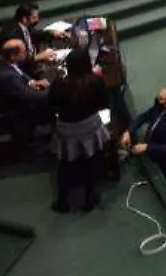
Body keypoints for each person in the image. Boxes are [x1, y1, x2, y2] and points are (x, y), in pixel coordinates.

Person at [48, 44, 111, 213]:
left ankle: (63, 202)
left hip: (66, 129)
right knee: (91, 162)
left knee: (65, 165)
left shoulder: (59, 84)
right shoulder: (95, 81)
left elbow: (51, 104)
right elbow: (105, 103)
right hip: (90, 127)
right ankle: (89, 199)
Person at [123, 86, 166, 214]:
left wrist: (147, 147)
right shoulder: (159, 105)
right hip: (157, 149)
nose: (157, 99)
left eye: (161, 99)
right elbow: (144, 116)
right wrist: (128, 131)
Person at [0, 38, 51, 114]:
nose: (26, 53)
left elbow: (18, 71)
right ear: (13, 56)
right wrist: (53, 93)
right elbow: (29, 96)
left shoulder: (3, 58)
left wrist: (31, 82)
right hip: (17, 111)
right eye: (24, 52)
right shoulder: (9, 78)